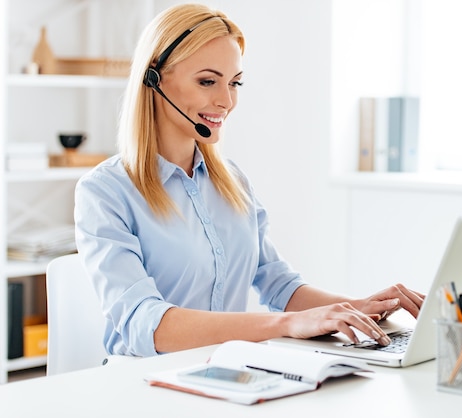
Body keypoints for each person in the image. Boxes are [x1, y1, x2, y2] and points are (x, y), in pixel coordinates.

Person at [74, 3, 425, 357]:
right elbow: (145, 325)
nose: (226, 101)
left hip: (225, 374)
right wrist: (286, 325)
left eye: (235, 83)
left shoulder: (232, 182)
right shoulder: (105, 193)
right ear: (154, 79)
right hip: (141, 387)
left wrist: (360, 309)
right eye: (207, 81)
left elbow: (280, 285)